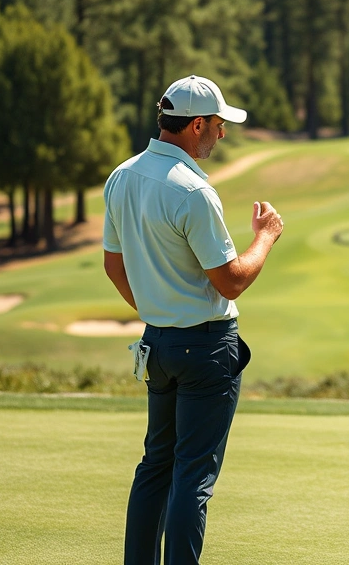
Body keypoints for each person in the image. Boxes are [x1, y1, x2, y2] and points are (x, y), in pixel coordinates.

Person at [102, 75, 284, 565]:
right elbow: (230, 281)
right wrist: (265, 236)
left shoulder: (122, 176)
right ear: (197, 124)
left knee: (155, 466)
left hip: (157, 346)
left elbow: (113, 266)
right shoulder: (194, 192)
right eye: (218, 125)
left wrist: (158, 310)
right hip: (206, 350)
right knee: (193, 477)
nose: (222, 135)